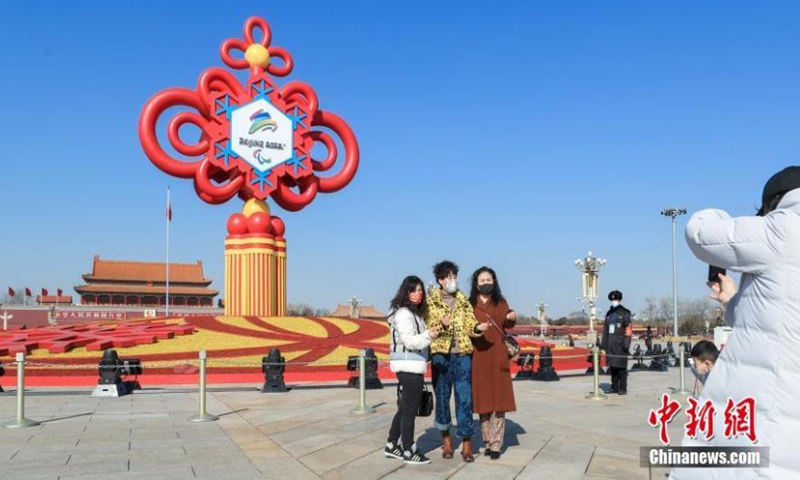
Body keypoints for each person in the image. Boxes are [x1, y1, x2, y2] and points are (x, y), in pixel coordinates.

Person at [672, 166, 800, 479]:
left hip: (771, 418)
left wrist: (719, 213)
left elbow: (698, 233)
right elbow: (782, 324)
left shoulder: (783, 228)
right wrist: (732, 301)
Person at [426, 260, 487, 462]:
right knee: (442, 397)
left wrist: (478, 328)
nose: (452, 280)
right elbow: (429, 326)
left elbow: (470, 324)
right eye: (448, 277)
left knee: (464, 398)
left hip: (462, 354)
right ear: (440, 280)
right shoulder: (431, 300)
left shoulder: (462, 300)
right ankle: (447, 441)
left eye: (454, 276)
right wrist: (441, 324)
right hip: (441, 355)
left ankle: (467, 443)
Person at [385, 275, 439, 465]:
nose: (418, 294)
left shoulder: (413, 313)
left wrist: (428, 334)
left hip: (412, 365)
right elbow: (410, 341)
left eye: (420, 290)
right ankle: (408, 449)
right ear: (405, 292)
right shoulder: (403, 314)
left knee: (404, 408)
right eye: (413, 290)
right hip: (408, 366)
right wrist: (429, 335)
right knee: (409, 411)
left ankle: (392, 444)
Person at [468, 266, 517, 460]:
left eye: (489, 279)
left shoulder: (501, 302)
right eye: (482, 280)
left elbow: (508, 322)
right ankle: (487, 440)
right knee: (484, 402)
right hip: (479, 355)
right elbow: (466, 327)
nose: (486, 283)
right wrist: (476, 327)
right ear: (476, 283)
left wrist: (511, 317)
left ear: (494, 282)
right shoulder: (470, 304)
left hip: (497, 355)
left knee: (499, 401)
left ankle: (497, 444)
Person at [599, 290, 632, 395]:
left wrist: (626, 345)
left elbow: (628, 330)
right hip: (610, 345)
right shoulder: (609, 314)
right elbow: (605, 331)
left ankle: (623, 388)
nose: (614, 301)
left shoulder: (625, 313)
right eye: (612, 300)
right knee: (613, 367)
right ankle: (614, 387)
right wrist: (603, 346)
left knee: (621, 368)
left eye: (616, 299)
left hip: (621, 345)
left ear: (620, 300)